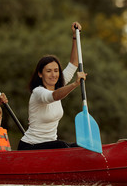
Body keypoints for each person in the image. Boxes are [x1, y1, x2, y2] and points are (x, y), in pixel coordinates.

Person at [17, 22, 86, 151]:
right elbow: (54, 96)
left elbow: (73, 63)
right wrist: (75, 84)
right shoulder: (38, 92)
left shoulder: (58, 84)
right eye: (48, 71)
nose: (53, 75)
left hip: (50, 145)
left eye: (56, 71)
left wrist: (75, 36)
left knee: (80, 146)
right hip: (31, 146)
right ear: (40, 74)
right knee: (61, 145)